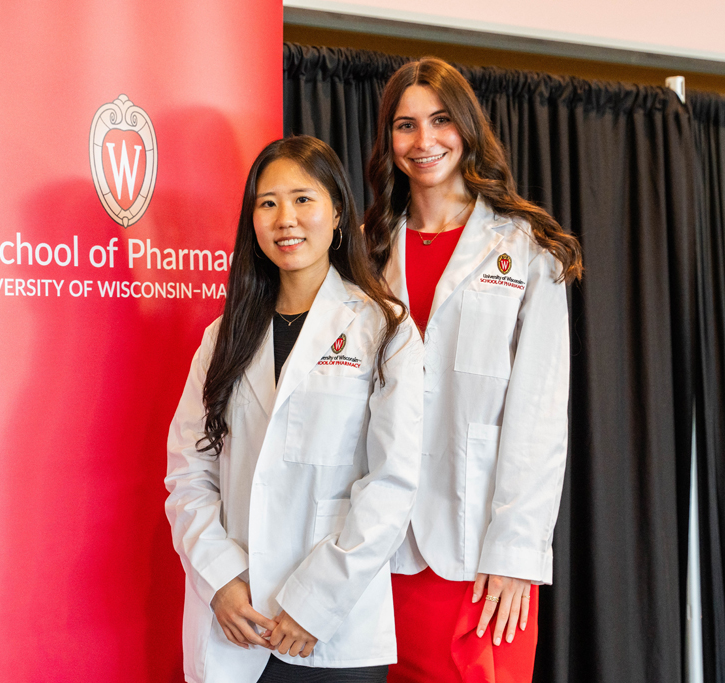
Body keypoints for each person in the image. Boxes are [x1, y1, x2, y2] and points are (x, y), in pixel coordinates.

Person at [165, 135, 424, 683]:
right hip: (237, 621)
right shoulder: (223, 337)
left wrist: (313, 602)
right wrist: (220, 580)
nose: (287, 218)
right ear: (252, 223)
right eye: (268, 202)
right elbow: (188, 473)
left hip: (334, 629)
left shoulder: (385, 329)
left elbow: (392, 484)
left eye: (304, 199)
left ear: (337, 214)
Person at [363, 57, 583, 683]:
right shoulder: (365, 250)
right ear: (388, 141)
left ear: (467, 127)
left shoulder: (524, 248)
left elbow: (539, 414)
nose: (424, 141)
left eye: (439, 121)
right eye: (405, 126)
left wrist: (516, 549)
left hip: (482, 555)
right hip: (381, 549)